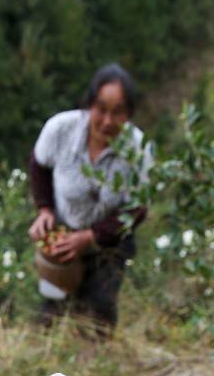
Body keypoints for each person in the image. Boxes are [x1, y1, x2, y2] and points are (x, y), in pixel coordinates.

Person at [28, 63, 152, 334]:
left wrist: (89, 237)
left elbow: (138, 208)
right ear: (89, 105)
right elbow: (39, 165)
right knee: (53, 309)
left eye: (118, 112)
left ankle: (98, 362)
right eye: (101, 109)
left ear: (129, 114)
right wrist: (45, 209)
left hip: (109, 244)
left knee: (99, 312)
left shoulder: (138, 150)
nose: (107, 121)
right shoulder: (61, 129)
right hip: (62, 233)